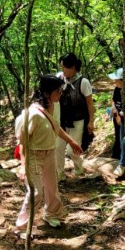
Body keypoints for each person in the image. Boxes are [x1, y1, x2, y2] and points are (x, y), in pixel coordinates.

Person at [14, 74, 83, 234]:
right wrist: (23, 166)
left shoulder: (52, 105)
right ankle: (21, 226)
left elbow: (56, 127)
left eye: (61, 90)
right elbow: (22, 142)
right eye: (58, 91)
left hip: (49, 153)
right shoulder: (32, 114)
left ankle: (52, 214)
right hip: (34, 156)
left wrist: (71, 141)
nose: (61, 94)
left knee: (52, 187)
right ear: (46, 93)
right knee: (36, 192)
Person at [57, 53, 96, 176]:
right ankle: (59, 174)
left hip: (78, 121)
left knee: (71, 150)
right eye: (61, 67)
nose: (62, 70)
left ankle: (79, 167)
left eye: (64, 67)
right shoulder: (60, 80)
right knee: (58, 148)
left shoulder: (83, 82)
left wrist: (91, 121)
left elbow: (90, 104)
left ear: (73, 67)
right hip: (63, 121)